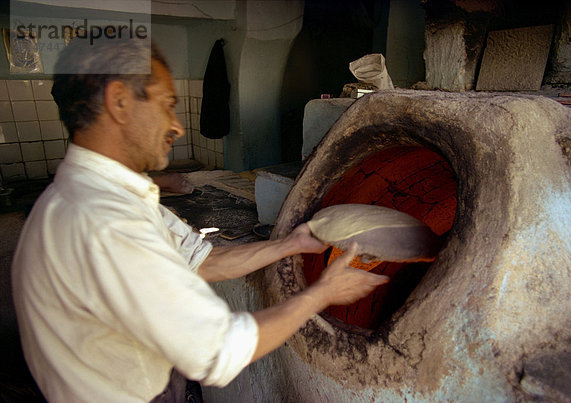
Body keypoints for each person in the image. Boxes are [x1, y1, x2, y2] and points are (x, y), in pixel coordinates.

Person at [11, 37, 389, 402]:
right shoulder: (106, 221)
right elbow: (220, 349)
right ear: (120, 102)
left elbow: (204, 260)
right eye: (166, 104)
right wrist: (322, 293)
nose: (175, 126)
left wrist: (289, 244)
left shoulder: (105, 195)